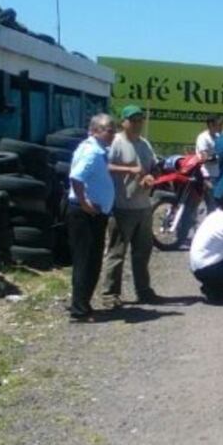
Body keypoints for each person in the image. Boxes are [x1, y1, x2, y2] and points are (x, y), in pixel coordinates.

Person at [99, 105, 160, 308]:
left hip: (143, 206)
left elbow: (152, 167)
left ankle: (143, 290)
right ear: (123, 122)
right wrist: (129, 169)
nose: (137, 124)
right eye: (132, 120)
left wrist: (151, 177)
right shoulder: (115, 142)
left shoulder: (144, 144)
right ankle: (110, 294)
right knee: (117, 252)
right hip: (121, 206)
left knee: (142, 251)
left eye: (140, 120)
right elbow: (105, 166)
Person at [67, 113, 117, 321]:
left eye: (114, 130)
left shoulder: (96, 150)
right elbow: (77, 177)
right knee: (86, 262)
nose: (113, 134)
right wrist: (85, 203)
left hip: (94, 213)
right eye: (108, 130)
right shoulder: (92, 153)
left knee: (92, 260)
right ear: (95, 130)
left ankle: (83, 303)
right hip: (85, 214)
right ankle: (79, 309)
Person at [195, 114, 223, 212]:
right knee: (212, 205)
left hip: (217, 175)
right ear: (211, 124)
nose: (221, 127)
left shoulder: (218, 136)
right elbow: (204, 158)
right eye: (219, 124)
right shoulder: (203, 138)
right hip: (207, 175)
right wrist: (218, 157)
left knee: (217, 205)